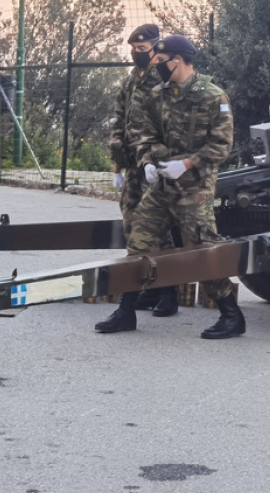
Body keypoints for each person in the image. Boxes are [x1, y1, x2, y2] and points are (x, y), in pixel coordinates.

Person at [95, 34, 243, 338]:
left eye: (161, 61)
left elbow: (222, 145)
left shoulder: (213, 96)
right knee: (139, 242)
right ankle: (125, 311)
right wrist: (148, 161)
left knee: (201, 251)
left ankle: (231, 314)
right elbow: (144, 134)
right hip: (161, 185)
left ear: (178, 60)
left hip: (194, 188)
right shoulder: (159, 94)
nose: (156, 66)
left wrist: (186, 164)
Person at [105, 24, 177, 321]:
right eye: (134, 49)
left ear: (156, 48)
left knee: (157, 228)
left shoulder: (164, 80)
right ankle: (151, 288)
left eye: (142, 49)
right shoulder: (131, 80)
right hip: (133, 166)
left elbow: (167, 126)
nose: (137, 54)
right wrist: (117, 167)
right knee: (130, 222)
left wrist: (159, 162)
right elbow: (118, 122)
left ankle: (169, 291)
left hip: (156, 164)